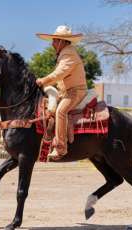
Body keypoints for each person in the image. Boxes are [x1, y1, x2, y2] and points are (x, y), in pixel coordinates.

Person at [36, 25, 88, 157]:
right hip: (65, 92)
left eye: (54, 40)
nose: (52, 43)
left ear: (61, 41)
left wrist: (43, 80)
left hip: (75, 91)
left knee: (60, 111)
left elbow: (59, 73)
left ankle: (61, 147)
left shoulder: (69, 53)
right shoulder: (64, 53)